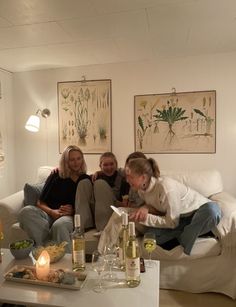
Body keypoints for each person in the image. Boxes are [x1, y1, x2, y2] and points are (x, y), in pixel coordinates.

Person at [125, 158, 222, 255]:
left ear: (143, 177)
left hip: (198, 212)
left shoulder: (165, 188)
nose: (127, 180)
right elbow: (164, 213)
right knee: (151, 237)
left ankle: (187, 237)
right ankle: (192, 233)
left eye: (130, 177)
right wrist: (145, 208)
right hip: (180, 220)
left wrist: (146, 218)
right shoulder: (141, 190)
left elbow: (172, 222)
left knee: (212, 211)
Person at [18, 145, 94, 252]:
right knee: (25, 212)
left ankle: (64, 259)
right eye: (72, 159)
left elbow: (85, 207)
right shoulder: (56, 175)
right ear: (66, 161)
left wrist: (73, 211)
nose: (76, 162)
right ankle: (45, 248)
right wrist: (52, 212)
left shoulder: (85, 180)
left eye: (79, 158)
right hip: (49, 214)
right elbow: (39, 202)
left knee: (60, 225)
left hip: (68, 217)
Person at [93, 152, 128, 231]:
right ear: (100, 166)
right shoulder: (97, 178)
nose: (109, 168)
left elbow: (124, 204)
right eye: (105, 165)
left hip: (116, 211)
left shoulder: (123, 178)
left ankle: (104, 228)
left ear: (116, 164)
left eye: (111, 164)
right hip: (100, 213)